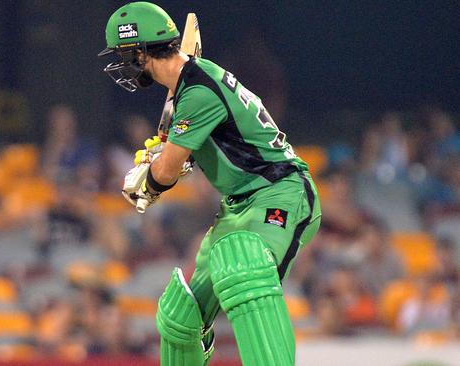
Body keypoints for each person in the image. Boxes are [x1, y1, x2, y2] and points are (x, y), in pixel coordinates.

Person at [98, 2, 321, 365]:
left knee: (246, 268)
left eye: (124, 55)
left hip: (280, 192)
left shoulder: (198, 91)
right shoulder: (192, 82)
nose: (123, 65)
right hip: (239, 203)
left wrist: (147, 178)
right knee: (180, 316)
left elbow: (166, 174)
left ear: (139, 51)